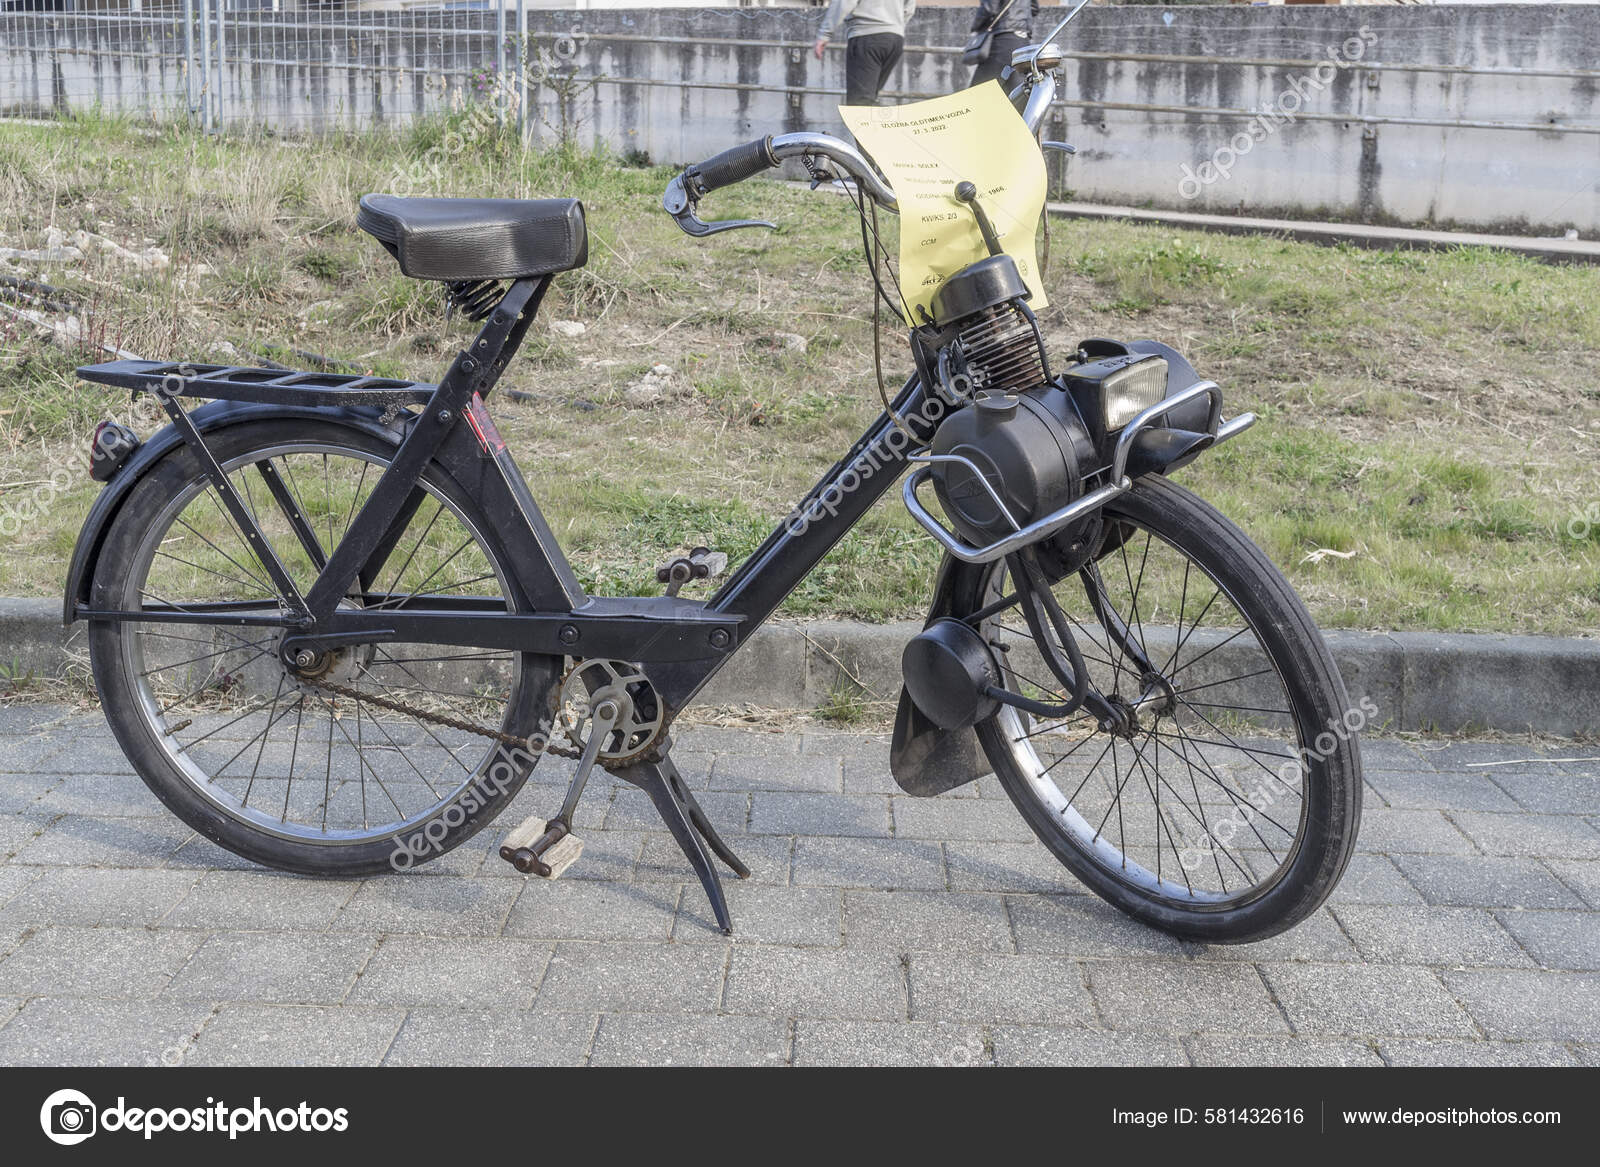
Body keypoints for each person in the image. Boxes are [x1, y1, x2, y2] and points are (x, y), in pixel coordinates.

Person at [814, 0, 918, 107]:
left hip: (867, 35)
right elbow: (910, 7)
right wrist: (894, 26)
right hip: (895, 39)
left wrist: (825, 34)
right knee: (869, 98)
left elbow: (844, 2)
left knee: (860, 102)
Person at [967, 0, 1039, 90]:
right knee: (1014, 94)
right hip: (1022, 41)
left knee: (978, 92)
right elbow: (1034, 8)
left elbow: (989, 8)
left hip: (1002, 39)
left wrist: (975, 28)